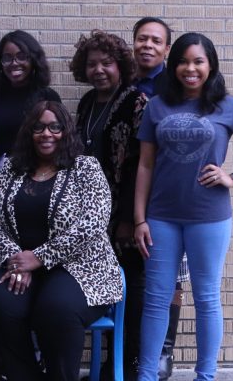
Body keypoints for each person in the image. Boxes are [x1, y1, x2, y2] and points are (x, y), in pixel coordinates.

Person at [133, 33, 233, 381]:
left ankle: (205, 376)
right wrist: (139, 219)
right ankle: (147, 376)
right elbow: (145, 165)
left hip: (209, 217)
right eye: (183, 61)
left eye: (198, 61)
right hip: (162, 217)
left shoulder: (227, 106)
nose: (190, 68)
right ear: (173, 64)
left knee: (207, 297)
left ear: (210, 65)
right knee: (156, 299)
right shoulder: (157, 106)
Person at [0, 101, 124, 381]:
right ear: (29, 132)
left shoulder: (86, 168)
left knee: (57, 310)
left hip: (79, 268)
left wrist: (40, 257)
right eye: (39, 127)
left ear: (66, 130)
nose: (47, 133)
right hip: (17, 264)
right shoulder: (11, 168)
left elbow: (93, 222)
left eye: (55, 126)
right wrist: (17, 259)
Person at [69, 30, 148, 381]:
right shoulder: (86, 103)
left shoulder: (136, 101)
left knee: (129, 291)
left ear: (122, 66)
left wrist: (133, 217)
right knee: (98, 288)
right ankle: (105, 365)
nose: (98, 70)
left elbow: (142, 164)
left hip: (124, 214)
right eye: (92, 64)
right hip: (89, 212)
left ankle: (128, 364)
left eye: (107, 63)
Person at [129, 17, 182, 381]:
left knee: (171, 278)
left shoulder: (176, 86)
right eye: (141, 39)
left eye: (156, 41)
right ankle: (131, 356)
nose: (147, 45)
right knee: (134, 277)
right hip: (130, 192)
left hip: (169, 199)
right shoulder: (124, 84)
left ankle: (164, 352)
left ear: (167, 49)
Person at [0, 30, 63, 179]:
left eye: (21, 57)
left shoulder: (48, 97)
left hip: (39, 175)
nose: (14, 63)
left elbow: (59, 140)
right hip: (0, 177)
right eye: (7, 58)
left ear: (33, 59)